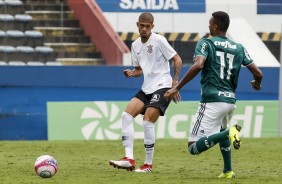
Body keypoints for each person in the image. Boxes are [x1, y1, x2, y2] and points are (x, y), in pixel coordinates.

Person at [164, 11, 263, 178]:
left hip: (211, 100)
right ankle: (228, 170)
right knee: (222, 128)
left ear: (215, 26)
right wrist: (257, 84)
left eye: (210, 23)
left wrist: (177, 87)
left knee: (193, 147)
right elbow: (258, 73)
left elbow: (198, 65)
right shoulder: (239, 47)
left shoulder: (206, 43)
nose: (209, 26)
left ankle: (230, 133)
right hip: (230, 100)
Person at [109, 12, 182, 172]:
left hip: (163, 85)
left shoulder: (159, 40)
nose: (144, 29)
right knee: (126, 115)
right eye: (141, 26)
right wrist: (131, 73)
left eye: (147, 26)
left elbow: (177, 59)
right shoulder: (135, 45)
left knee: (147, 121)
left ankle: (148, 165)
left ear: (152, 27)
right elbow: (139, 70)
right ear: (137, 25)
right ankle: (129, 158)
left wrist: (175, 83)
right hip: (147, 87)